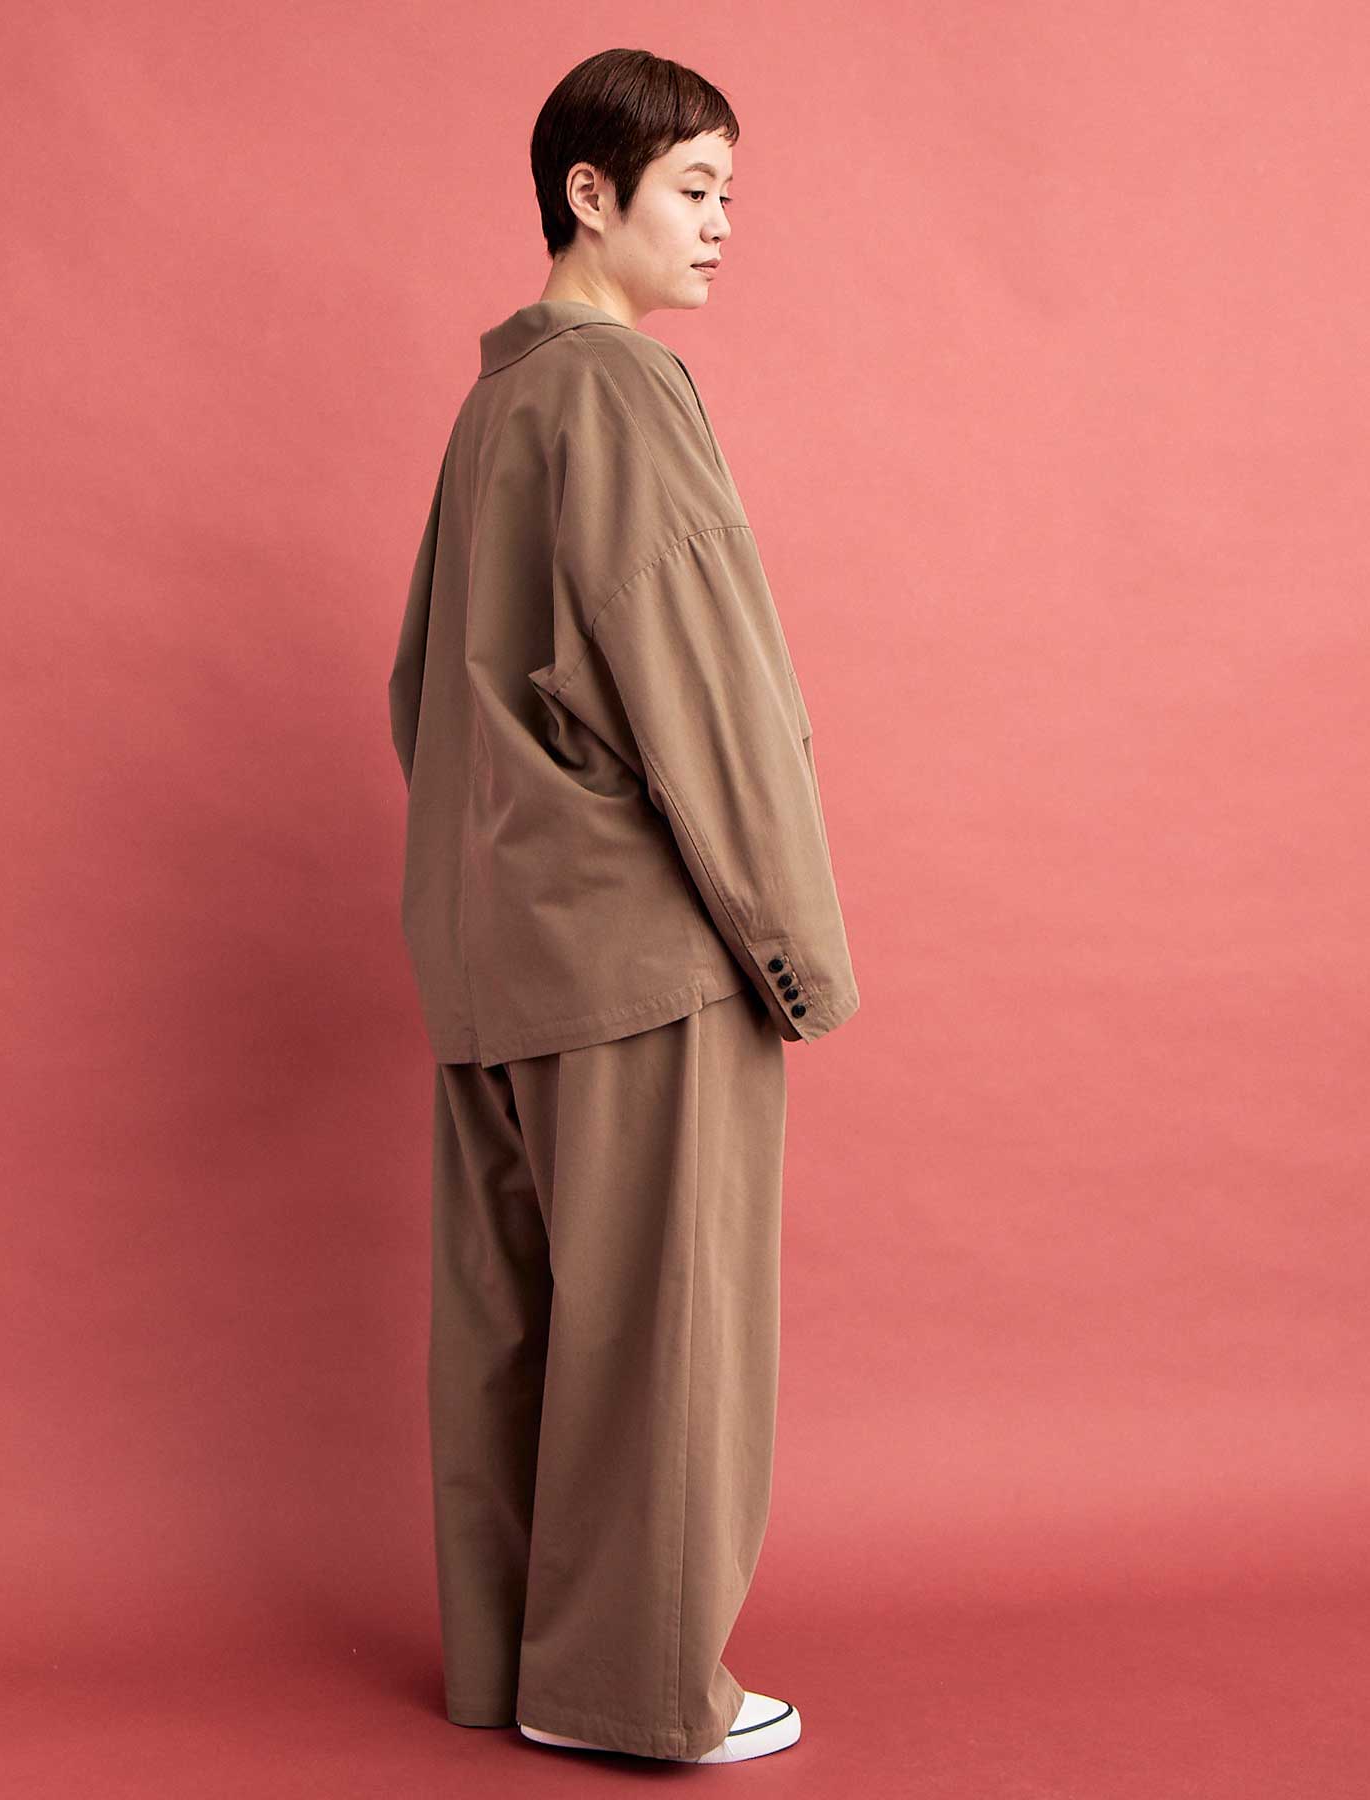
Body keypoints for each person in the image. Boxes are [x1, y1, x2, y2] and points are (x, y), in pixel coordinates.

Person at [387, 47, 860, 1765]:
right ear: (589, 195)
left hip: (494, 954)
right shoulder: (623, 391)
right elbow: (706, 692)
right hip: (643, 959)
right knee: (664, 1334)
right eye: (696, 188)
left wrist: (493, 887)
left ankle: (518, 1671)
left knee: (518, 1327)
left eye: (731, 191)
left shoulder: (496, 406)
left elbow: (422, 698)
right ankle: (640, 1694)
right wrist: (796, 960)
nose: (725, 223)